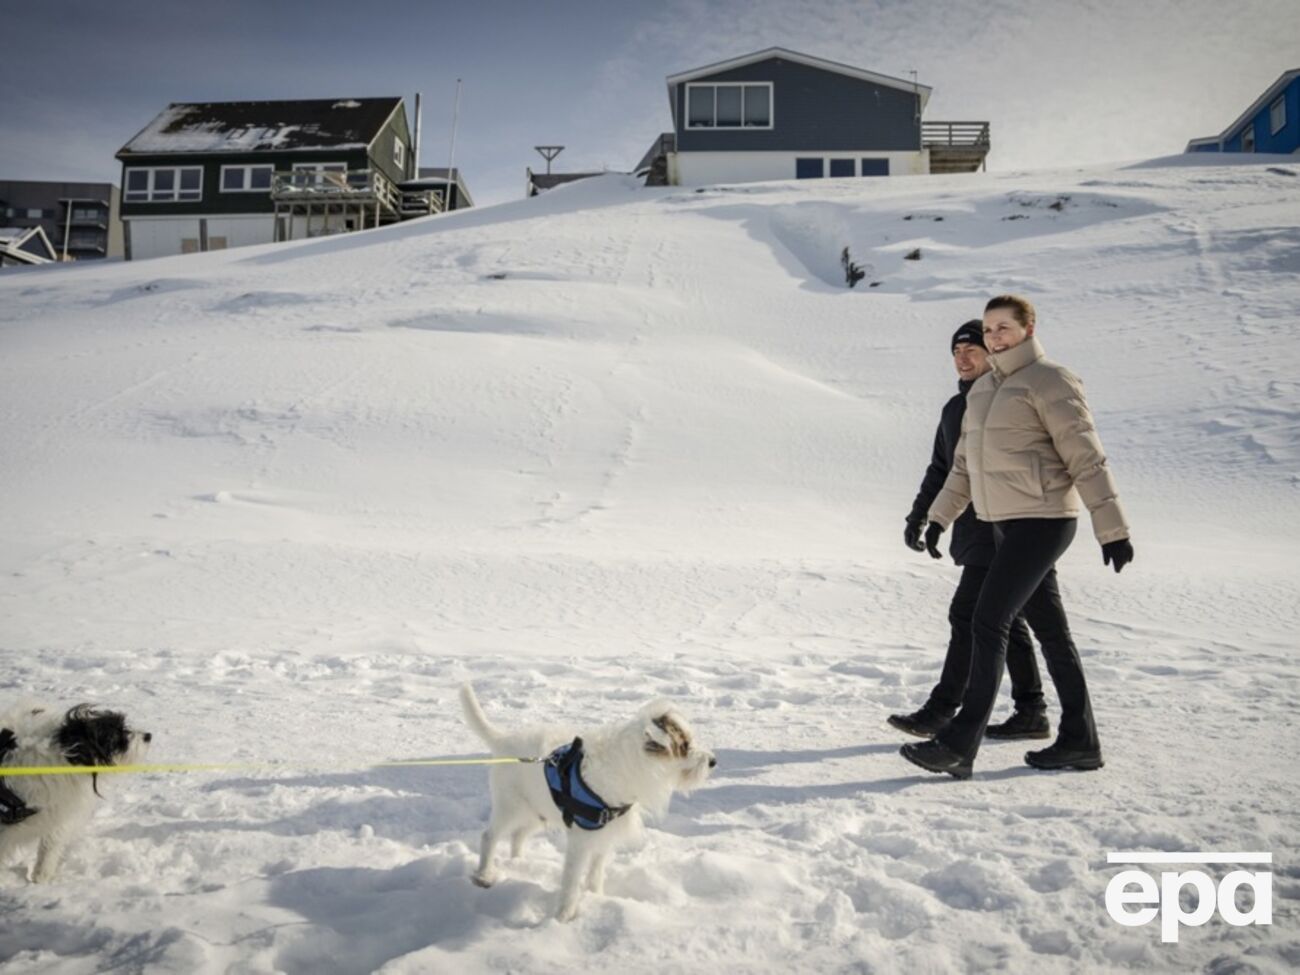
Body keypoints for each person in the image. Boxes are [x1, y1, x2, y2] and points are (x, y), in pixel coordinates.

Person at [901, 295, 1134, 779]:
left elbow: (1085, 455)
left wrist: (1111, 528)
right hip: (1003, 522)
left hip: (1045, 521)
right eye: (988, 330)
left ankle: (960, 744)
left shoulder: (1051, 380)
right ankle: (1080, 740)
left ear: (1028, 329)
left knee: (988, 620)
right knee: (1051, 632)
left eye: (1003, 328)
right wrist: (939, 518)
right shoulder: (984, 390)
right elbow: (963, 467)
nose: (994, 338)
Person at [890, 320, 1049, 741]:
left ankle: (944, 709)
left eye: (971, 350)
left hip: (1004, 523)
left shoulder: (1004, 401)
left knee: (968, 614)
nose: (962, 358)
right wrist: (919, 515)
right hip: (972, 525)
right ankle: (1031, 711)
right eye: (956, 352)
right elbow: (942, 467)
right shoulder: (954, 408)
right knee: (1007, 621)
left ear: (992, 353)